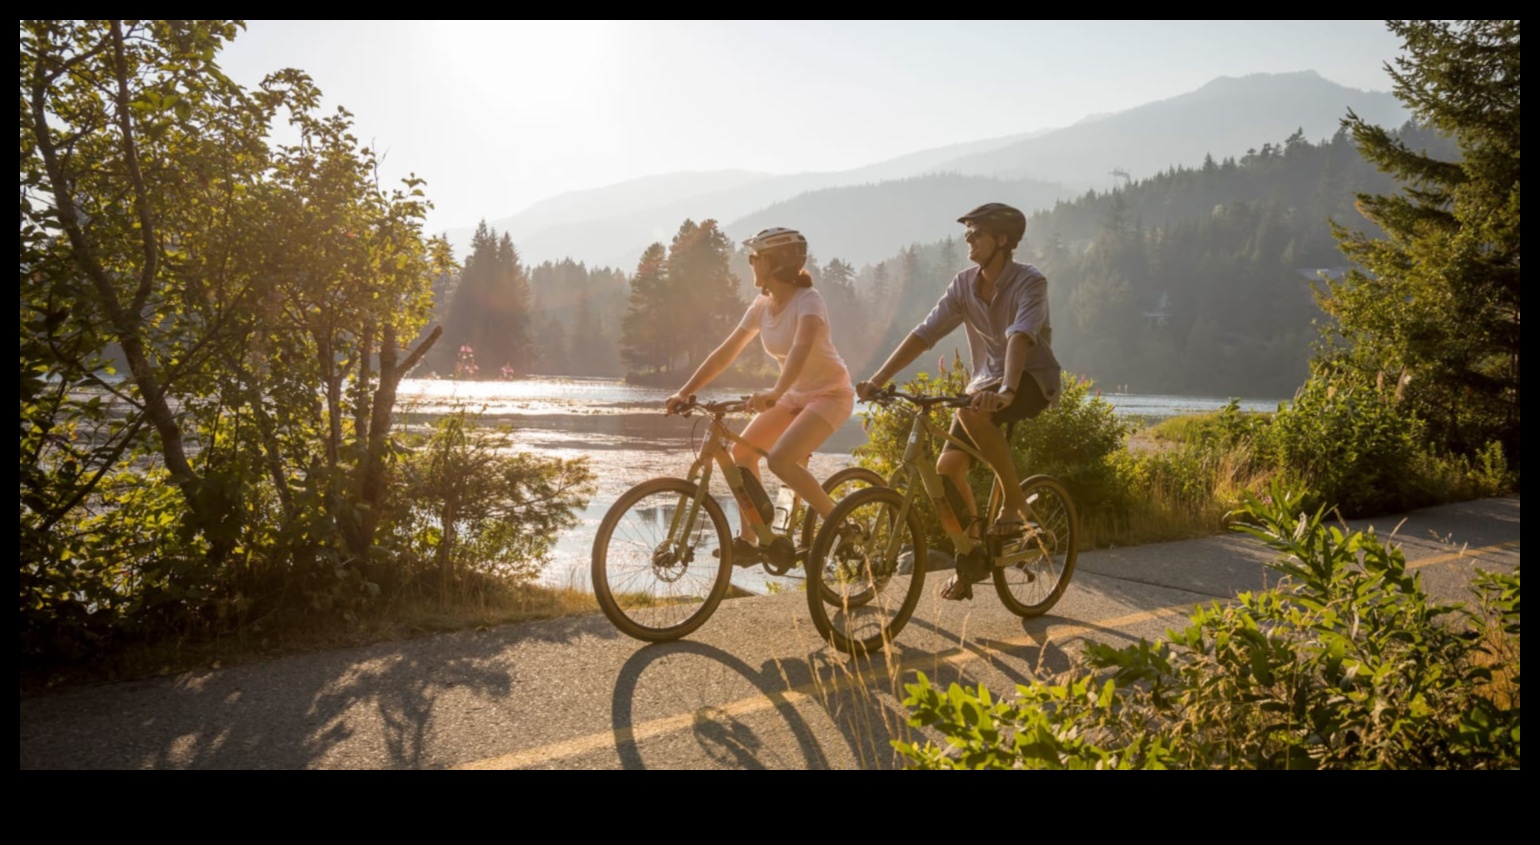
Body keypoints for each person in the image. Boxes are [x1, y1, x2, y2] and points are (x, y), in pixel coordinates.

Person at [856, 203, 1061, 600]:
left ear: (1002, 241)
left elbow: (1020, 336)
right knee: (946, 470)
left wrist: (1007, 392)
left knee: (972, 410)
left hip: (1030, 381)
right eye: (967, 232)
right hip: (982, 385)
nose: (968, 239)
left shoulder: (1030, 282)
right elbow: (925, 333)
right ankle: (971, 555)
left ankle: (1015, 502)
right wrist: (878, 380)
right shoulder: (963, 285)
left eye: (976, 233)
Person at [666, 227, 856, 565]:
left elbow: (801, 348)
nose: (750, 264)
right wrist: (686, 391)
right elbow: (727, 352)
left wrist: (775, 392)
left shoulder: (809, 302)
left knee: (780, 460)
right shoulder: (762, 305)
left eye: (754, 258)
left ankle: (841, 523)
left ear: (772, 263)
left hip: (830, 395)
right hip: (792, 394)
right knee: (741, 453)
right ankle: (751, 540)